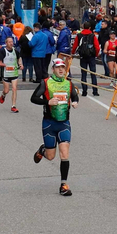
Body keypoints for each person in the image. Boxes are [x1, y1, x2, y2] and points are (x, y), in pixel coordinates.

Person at [31, 58, 79, 197]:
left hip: (64, 123)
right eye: (58, 67)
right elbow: (33, 98)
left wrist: (75, 102)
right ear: (53, 69)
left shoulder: (68, 84)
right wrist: (47, 101)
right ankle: (43, 150)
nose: (61, 70)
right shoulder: (46, 83)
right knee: (51, 157)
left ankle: (64, 184)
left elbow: (75, 96)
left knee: (64, 153)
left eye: (63, 67)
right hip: (49, 124)